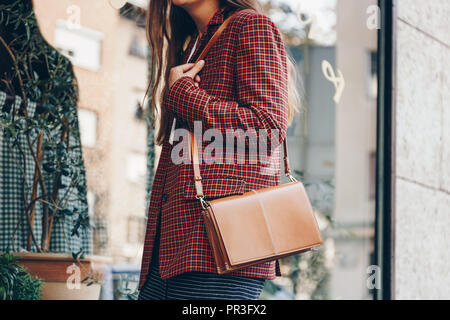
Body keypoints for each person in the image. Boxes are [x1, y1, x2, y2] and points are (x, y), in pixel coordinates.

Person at [138, 0, 300, 300]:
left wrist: (184, 94)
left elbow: (267, 127)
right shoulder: (192, 46)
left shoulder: (250, 26)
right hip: (173, 252)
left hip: (223, 251)